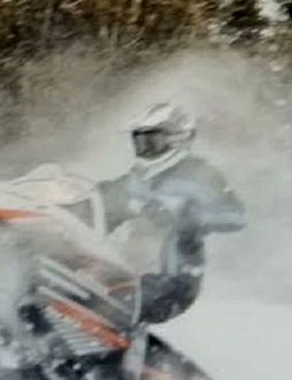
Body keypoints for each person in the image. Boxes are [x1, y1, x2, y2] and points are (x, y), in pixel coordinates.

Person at [97, 103, 245, 324]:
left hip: (172, 280)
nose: (144, 148)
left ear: (178, 139)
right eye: (139, 142)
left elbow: (235, 216)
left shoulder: (200, 174)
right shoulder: (137, 179)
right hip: (125, 272)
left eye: (151, 141)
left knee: (106, 306)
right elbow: (104, 203)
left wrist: (187, 217)